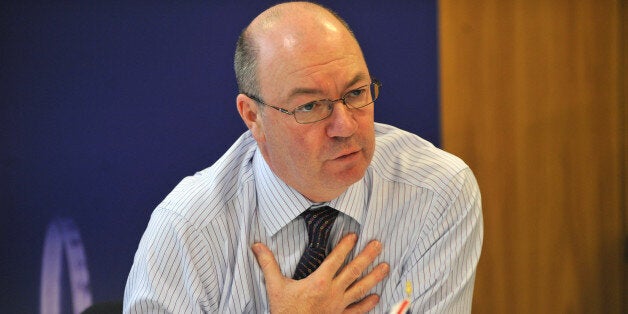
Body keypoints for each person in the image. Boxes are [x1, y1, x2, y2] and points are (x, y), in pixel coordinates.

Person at [124, 2, 483, 313]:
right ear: (253, 117)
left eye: (356, 92)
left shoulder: (436, 192)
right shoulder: (189, 229)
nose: (344, 126)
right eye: (310, 106)